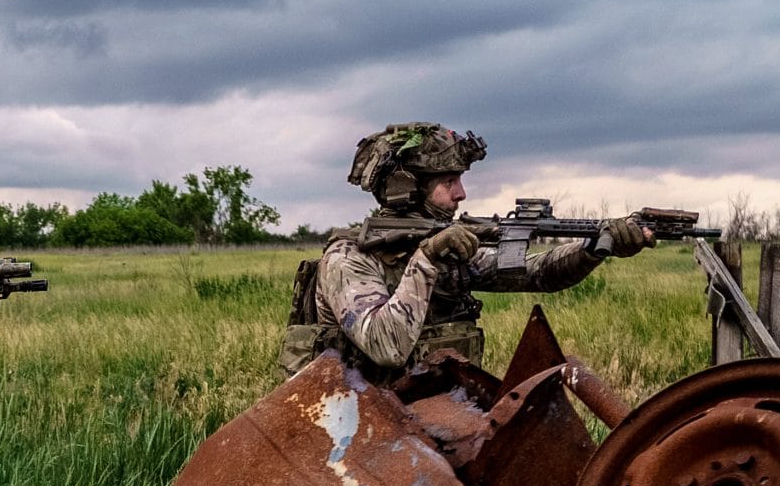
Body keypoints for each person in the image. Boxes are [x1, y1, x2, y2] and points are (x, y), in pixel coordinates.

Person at [280, 122, 654, 381]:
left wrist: (595, 248)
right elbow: (386, 345)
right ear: (405, 189)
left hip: (425, 412)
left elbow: (538, 273)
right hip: (352, 427)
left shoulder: (448, 246)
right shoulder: (349, 257)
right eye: (448, 182)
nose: (461, 194)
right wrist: (426, 260)